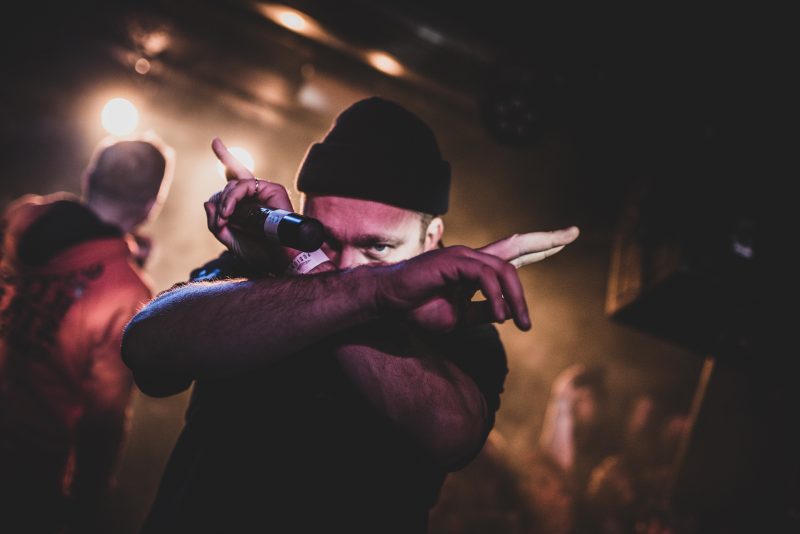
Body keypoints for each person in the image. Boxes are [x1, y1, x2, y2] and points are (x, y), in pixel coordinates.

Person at [122, 96, 579, 533]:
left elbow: (452, 434)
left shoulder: (458, 323)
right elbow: (147, 350)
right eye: (323, 240)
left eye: (376, 248)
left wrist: (323, 276)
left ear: (433, 237)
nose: (344, 267)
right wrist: (351, 283)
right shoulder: (257, 269)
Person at [0, 135, 174, 533]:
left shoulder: (22, 217)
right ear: (152, 205)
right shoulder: (127, 293)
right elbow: (103, 418)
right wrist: (86, 503)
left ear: (89, 176)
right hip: (27, 471)